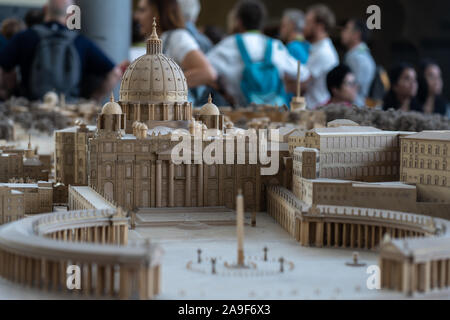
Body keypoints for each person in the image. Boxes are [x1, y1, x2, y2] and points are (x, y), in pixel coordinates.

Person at [0, 0, 127, 102]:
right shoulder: (80, 42)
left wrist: (9, 92)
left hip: (32, 112)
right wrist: (93, 100)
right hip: (69, 113)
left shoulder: (24, 37)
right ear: (71, 15)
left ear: (45, 9)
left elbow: (4, 68)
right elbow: (115, 73)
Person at [207, 0, 298, 107]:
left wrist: (223, 92)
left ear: (239, 21)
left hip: (241, 112)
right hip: (275, 112)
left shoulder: (229, 44)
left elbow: (205, 70)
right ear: (262, 22)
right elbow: (302, 74)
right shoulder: (274, 45)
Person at [135, 0, 217, 92]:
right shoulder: (162, 39)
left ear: (157, 13)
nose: (137, 16)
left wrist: (160, 86)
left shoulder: (177, 38)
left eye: (142, 10)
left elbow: (207, 72)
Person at [301, 4, 339, 109]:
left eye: (307, 22)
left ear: (320, 26)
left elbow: (301, 85)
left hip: (316, 111)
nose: (303, 27)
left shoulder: (323, 52)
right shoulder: (318, 48)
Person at [341, 18, 376, 108]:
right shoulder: (361, 55)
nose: (342, 32)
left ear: (356, 34)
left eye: (346, 28)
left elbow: (352, 91)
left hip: (353, 108)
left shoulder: (357, 58)